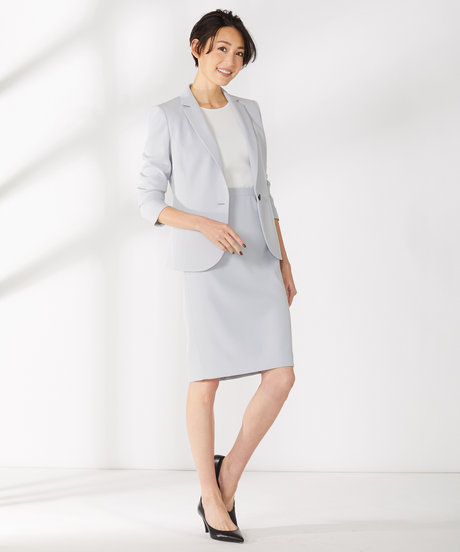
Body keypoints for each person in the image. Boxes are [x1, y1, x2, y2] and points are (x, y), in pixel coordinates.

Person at [137, 9, 297, 543]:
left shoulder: (249, 111)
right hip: (209, 260)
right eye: (222, 49)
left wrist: (284, 258)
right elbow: (148, 200)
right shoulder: (168, 115)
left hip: (258, 251)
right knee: (205, 379)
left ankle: (227, 478)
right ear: (197, 46)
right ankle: (210, 496)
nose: (231, 61)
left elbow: (264, 189)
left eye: (239, 54)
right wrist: (203, 224)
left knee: (281, 377)